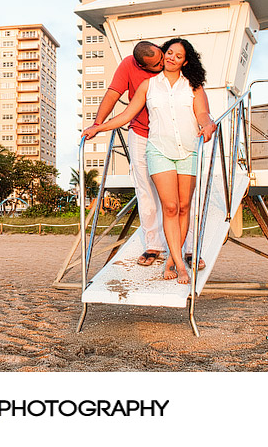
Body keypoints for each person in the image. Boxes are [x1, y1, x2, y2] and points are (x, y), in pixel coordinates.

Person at [83, 38, 216, 284]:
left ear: (185, 61)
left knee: (184, 206)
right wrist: (98, 127)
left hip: (188, 151)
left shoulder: (193, 86)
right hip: (158, 150)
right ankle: (178, 264)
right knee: (170, 207)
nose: (171, 57)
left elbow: (203, 113)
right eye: (169, 53)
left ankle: (172, 259)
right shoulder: (148, 85)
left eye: (178, 55)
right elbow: (125, 114)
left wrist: (207, 125)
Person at [91, 41, 167, 267]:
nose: (163, 64)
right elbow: (113, 94)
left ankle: (186, 244)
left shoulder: (170, 62)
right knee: (144, 187)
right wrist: (97, 124)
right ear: (143, 66)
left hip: (169, 134)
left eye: (162, 57)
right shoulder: (128, 66)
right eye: (156, 64)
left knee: (173, 189)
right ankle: (153, 244)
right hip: (141, 132)